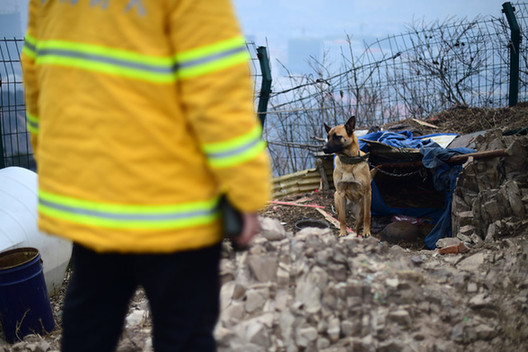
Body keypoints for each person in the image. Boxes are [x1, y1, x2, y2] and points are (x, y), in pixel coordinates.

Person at [21, 1, 271, 351]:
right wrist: (243, 191)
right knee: (183, 335)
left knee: (90, 324)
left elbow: (36, 75)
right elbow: (217, 88)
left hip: (93, 195)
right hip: (173, 202)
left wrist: (59, 166)